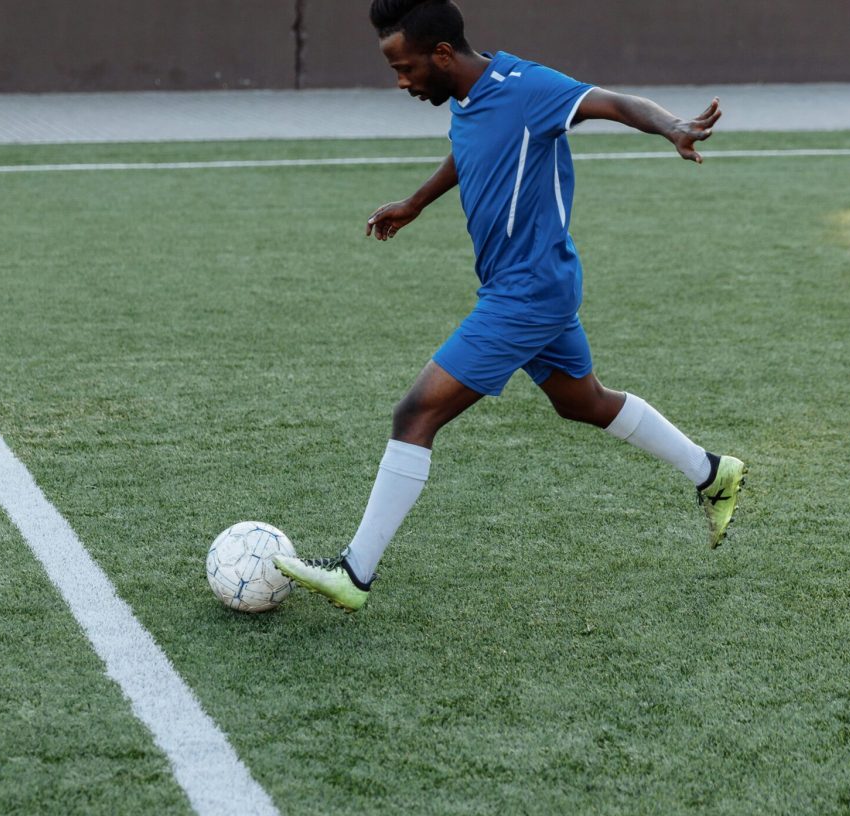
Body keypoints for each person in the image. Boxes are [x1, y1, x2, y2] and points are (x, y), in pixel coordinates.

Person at [273, 0, 746, 612]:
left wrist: (672, 126)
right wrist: (417, 202)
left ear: (442, 54)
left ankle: (354, 573)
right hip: (527, 286)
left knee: (415, 414)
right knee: (585, 403)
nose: (401, 82)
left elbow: (615, 102)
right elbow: (472, 147)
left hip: (527, 292)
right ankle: (713, 472)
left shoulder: (528, 88)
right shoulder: (466, 99)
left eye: (406, 68)